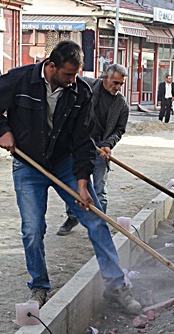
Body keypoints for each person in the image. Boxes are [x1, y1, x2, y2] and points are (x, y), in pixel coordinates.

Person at [0, 41, 142, 313]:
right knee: (32, 229)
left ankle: (116, 287)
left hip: (65, 163)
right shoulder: (21, 80)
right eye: (68, 74)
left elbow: (83, 140)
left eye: (76, 74)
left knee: (96, 220)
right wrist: (2, 129)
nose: (73, 80)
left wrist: (83, 183)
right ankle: (39, 286)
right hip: (29, 166)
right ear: (51, 66)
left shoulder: (80, 92)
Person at [57, 64, 130, 236]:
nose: (118, 88)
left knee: (99, 188)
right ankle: (72, 217)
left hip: (100, 148)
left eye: (121, 84)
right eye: (115, 83)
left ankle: (99, 224)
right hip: (79, 144)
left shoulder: (121, 104)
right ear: (106, 78)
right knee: (75, 184)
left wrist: (108, 144)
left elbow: (119, 129)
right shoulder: (87, 86)